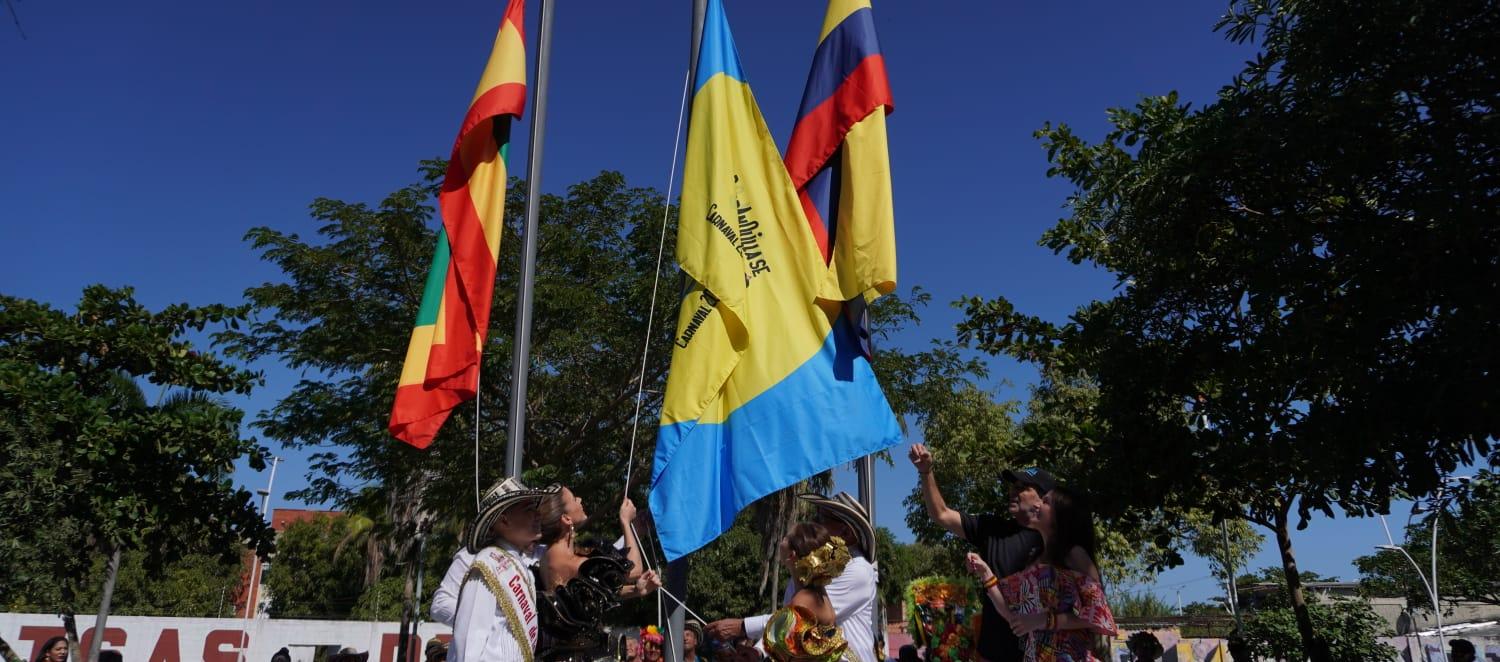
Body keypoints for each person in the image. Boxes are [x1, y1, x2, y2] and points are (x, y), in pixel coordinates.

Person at [910, 443, 1057, 661]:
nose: (1012, 492)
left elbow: (1079, 609)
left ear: (1043, 499)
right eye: (1012, 486)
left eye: (1022, 487)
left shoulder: (1059, 543)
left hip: (1042, 654)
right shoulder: (991, 529)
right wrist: (926, 472)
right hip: (993, 654)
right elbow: (940, 514)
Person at [707, 492, 879, 662]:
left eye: (820, 519)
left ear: (845, 532)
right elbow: (788, 623)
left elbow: (798, 618)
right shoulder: (812, 578)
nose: (814, 523)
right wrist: (758, 652)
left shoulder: (858, 570)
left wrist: (743, 627)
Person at [965, 485, 1116, 662]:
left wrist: (1046, 620)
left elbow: (1099, 614)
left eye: (1046, 502)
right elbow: (1012, 616)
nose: (1037, 505)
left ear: (1062, 515)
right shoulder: (1033, 560)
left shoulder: (1074, 554)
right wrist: (985, 573)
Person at [532, 486, 661, 660]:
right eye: (573, 499)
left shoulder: (548, 557)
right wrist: (626, 523)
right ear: (566, 518)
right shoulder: (573, 563)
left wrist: (636, 591)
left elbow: (586, 595)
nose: (580, 499)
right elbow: (634, 570)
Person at [451, 477, 551, 662]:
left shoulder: (521, 568)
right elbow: (467, 646)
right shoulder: (487, 565)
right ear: (504, 520)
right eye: (529, 509)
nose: (538, 514)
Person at [760, 522, 851, 662]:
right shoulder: (820, 593)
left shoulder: (802, 602)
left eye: (785, 538)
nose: (781, 541)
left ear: (792, 555)